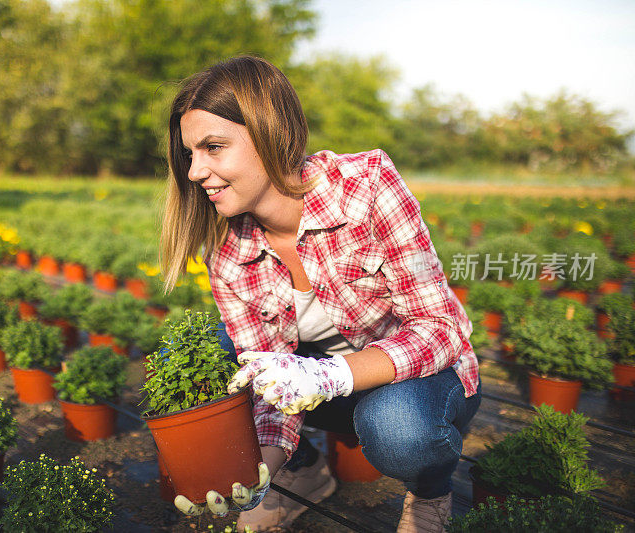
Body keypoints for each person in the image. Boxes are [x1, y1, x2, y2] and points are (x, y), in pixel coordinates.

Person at [160, 55, 481, 533]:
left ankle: (431, 490)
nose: (194, 171)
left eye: (213, 147)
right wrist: (254, 475)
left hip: (417, 381)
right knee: (217, 357)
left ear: (272, 132)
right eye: (190, 154)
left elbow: (442, 330)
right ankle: (305, 468)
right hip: (324, 393)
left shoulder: (366, 187)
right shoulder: (229, 252)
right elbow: (272, 388)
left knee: (396, 428)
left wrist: (329, 374)